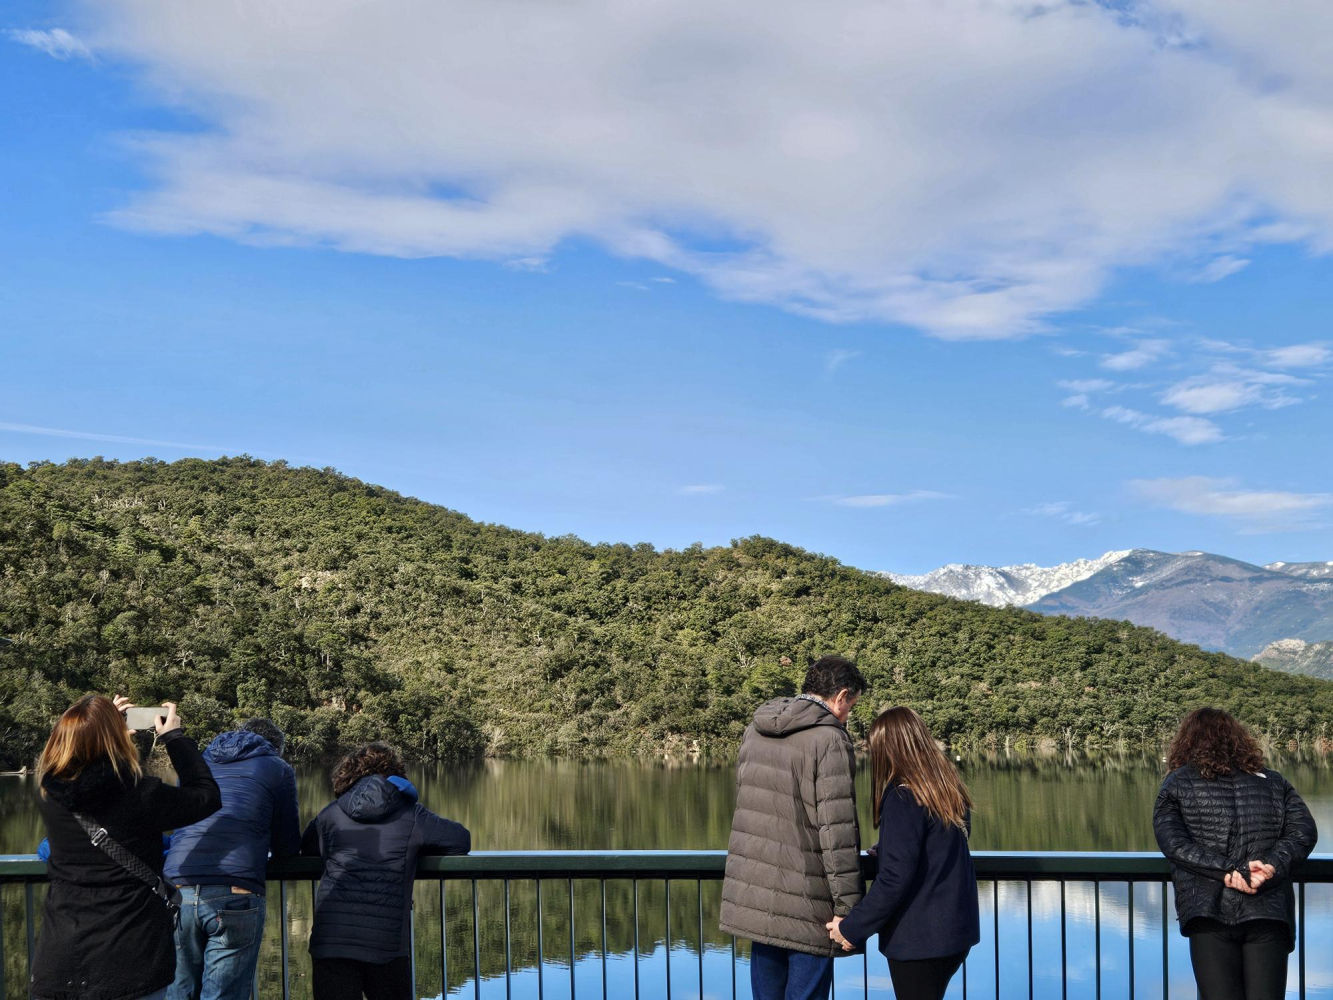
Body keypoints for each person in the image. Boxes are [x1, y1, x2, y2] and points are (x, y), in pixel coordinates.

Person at [31, 696, 221, 1000]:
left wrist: (99, 727)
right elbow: (206, 795)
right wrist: (174, 738)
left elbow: (80, 771)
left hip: (59, 962)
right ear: (114, 739)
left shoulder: (47, 793)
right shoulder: (141, 795)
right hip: (130, 962)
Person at [719, 654, 867, 1000]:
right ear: (841, 696)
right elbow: (837, 832)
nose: (848, 715)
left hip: (756, 902)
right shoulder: (829, 739)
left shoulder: (756, 729)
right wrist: (848, 912)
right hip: (808, 907)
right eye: (852, 706)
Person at [1153, 707, 1317, 1000]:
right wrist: (1270, 866)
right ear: (1239, 739)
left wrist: (1228, 872)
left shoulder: (1177, 782)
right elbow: (1304, 832)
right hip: (1268, 910)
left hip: (1209, 915)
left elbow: (1173, 844)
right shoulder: (1274, 780)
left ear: (1187, 741)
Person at [826, 706, 979, 1000]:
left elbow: (895, 878)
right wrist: (889, 848)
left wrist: (851, 928)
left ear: (889, 749)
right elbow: (943, 839)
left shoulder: (902, 795)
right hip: (956, 932)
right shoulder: (946, 786)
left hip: (919, 939)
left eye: (876, 749)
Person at [301, 742, 471, 1000]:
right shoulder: (411, 814)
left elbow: (308, 847)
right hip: (385, 946)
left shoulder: (331, 814)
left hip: (332, 942)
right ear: (395, 775)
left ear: (348, 774)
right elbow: (460, 840)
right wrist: (415, 847)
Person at [164, 717, 301, 1000]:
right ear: (275, 748)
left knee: (177, 993)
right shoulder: (277, 768)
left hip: (177, 886)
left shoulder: (198, 763)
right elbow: (287, 843)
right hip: (235, 890)